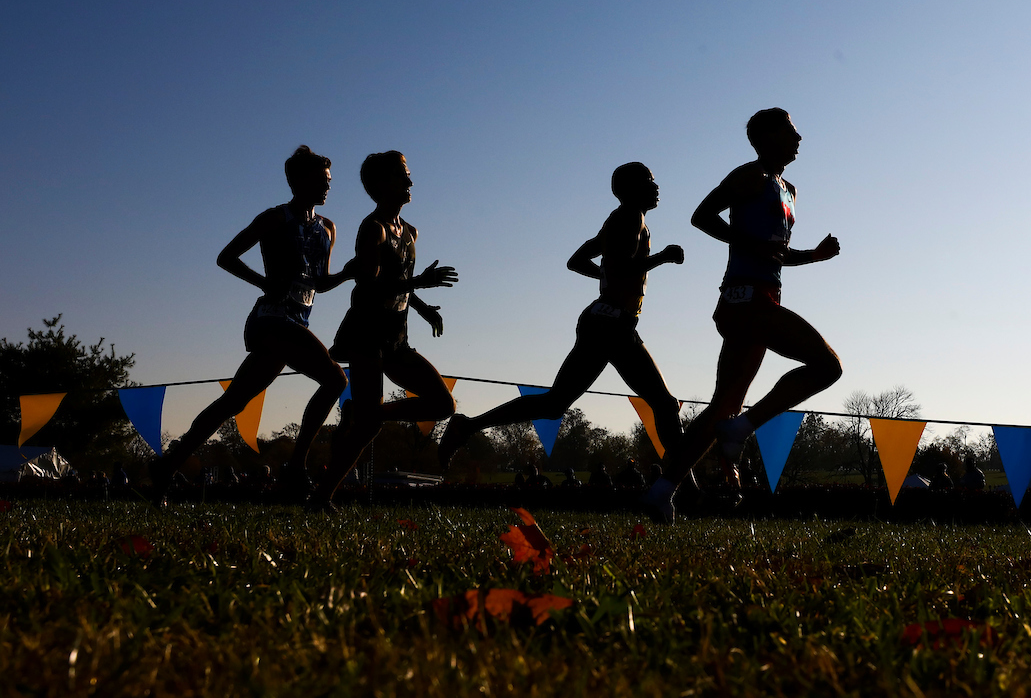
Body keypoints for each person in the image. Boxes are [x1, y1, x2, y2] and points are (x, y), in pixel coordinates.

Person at [644, 108, 843, 523]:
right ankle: (744, 427)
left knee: (723, 405)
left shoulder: (789, 189)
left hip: (761, 296)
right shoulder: (748, 176)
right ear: (765, 138)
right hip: (744, 298)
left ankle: (663, 489)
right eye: (790, 131)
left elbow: (776, 252)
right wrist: (747, 241)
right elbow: (702, 216)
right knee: (827, 366)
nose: (799, 137)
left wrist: (815, 256)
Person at [437, 162, 686, 470]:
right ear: (630, 191)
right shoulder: (630, 218)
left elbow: (578, 260)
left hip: (604, 319)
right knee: (663, 403)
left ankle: (467, 426)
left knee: (554, 404)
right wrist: (661, 258)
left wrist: (607, 278)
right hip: (612, 325)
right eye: (649, 181)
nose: (656, 186)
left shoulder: (617, 222)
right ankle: (683, 485)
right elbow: (617, 267)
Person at [151, 146, 352, 501]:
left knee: (233, 403)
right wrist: (263, 282)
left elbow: (319, 283)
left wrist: (349, 274)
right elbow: (225, 257)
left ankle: (168, 465)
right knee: (336, 378)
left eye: (329, 181)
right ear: (297, 181)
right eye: (322, 180)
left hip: (297, 323)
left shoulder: (328, 229)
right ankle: (297, 467)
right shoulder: (274, 219)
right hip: (271, 320)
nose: (328, 187)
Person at [309, 150, 458, 508]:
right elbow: (370, 285)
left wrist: (422, 308)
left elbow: (401, 282)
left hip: (396, 337)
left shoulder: (410, 232)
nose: (409, 181)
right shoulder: (371, 228)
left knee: (442, 404)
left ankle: (365, 414)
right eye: (401, 175)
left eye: (407, 175)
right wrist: (420, 283)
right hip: (365, 333)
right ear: (379, 185)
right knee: (369, 429)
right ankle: (321, 496)